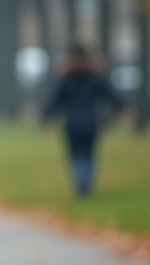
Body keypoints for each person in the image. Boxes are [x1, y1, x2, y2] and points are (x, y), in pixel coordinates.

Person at [42, 42, 126, 197]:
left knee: (75, 155)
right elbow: (112, 94)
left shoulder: (64, 78)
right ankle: (85, 183)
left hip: (72, 123)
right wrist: (124, 107)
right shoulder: (95, 77)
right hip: (91, 122)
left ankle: (81, 183)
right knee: (89, 154)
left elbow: (54, 100)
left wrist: (46, 117)